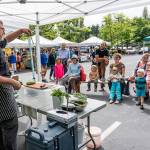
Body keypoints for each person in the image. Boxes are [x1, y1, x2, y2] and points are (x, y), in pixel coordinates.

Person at [0, 20, 31, 150]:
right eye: (1, 28)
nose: (3, 30)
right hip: (2, 94)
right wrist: (12, 82)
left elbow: (6, 39)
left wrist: (20, 31)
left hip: (5, 90)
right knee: (10, 125)